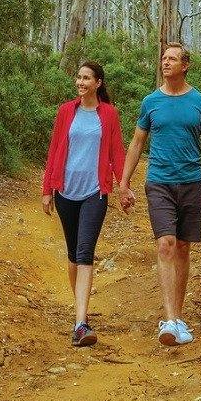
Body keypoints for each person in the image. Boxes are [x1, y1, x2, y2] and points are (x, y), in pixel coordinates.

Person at [119, 42, 201, 346]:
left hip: (192, 182)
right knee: (166, 244)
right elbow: (137, 143)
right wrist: (124, 183)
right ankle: (168, 321)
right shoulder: (150, 102)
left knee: (182, 247)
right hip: (159, 182)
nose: (165, 63)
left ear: (185, 65)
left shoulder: (200, 102)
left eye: (172, 59)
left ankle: (178, 318)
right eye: (163, 59)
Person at [40, 60, 125, 347]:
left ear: (98, 83)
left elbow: (117, 152)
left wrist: (123, 187)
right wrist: (47, 189)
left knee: (85, 252)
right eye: (78, 78)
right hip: (65, 191)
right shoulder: (66, 111)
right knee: (73, 256)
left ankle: (80, 323)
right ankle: (80, 309)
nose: (80, 82)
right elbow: (54, 149)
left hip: (95, 193)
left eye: (86, 78)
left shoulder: (109, 114)